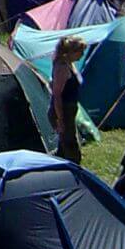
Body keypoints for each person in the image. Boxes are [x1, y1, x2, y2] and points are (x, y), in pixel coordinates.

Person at [51, 34, 86, 163]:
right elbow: (57, 95)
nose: (82, 54)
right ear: (70, 52)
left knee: (63, 147)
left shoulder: (69, 63)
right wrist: (60, 119)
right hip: (63, 110)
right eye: (80, 51)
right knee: (71, 147)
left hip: (70, 109)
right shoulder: (62, 68)